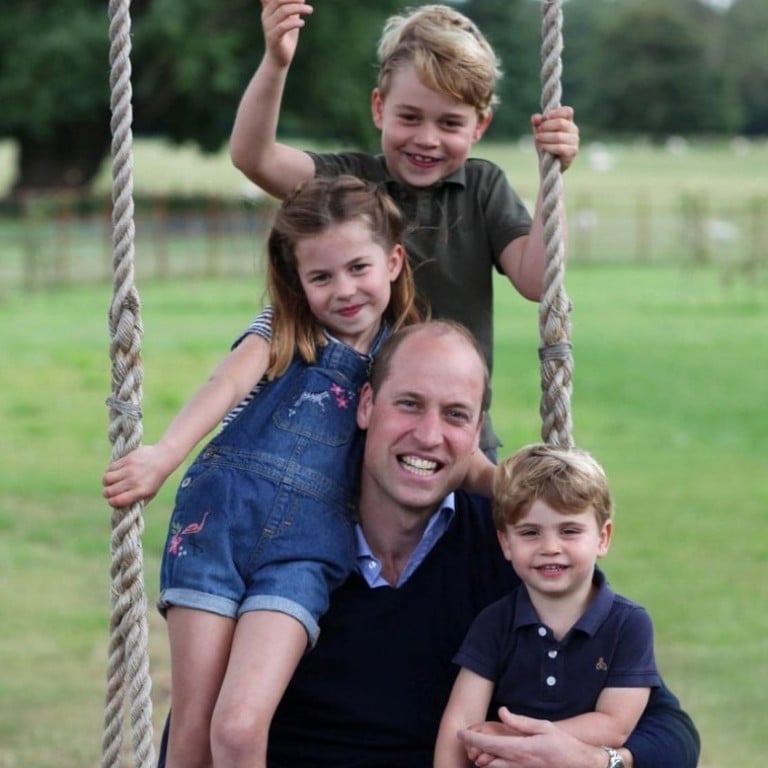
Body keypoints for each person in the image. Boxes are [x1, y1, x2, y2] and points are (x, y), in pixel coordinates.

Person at [155, 320, 700, 768]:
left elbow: (668, 731)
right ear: (366, 405)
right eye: (409, 405)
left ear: (476, 431)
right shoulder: (281, 537)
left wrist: (599, 760)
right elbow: (200, 733)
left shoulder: (509, 545)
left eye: (455, 415)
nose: (429, 435)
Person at [103, 175, 424, 768]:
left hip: (306, 552)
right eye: (321, 277)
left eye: (358, 268)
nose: (344, 290)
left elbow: (424, 437)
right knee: (193, 732)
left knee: (240, 726)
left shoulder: (401, 358)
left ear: (394, 261)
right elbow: (225, 384)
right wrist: (164, 455)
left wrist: (500, 482)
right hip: (217, 524)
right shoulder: (283, 328)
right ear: (298, 281)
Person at [228, 1, 581, 456]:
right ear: (379, 108)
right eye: (410, 117)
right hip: (350, 442)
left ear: (479, 126)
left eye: (449, 123)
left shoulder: (483, 188)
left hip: (455, 438)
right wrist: (277, 62)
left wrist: (553, 175)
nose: (426, 139)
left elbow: (537, 280)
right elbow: (254, 158)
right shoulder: (349, 186)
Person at [434, 444, 660, 768]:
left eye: (569, 531)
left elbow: (614, 724)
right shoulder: (494, 622)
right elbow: (460, 723)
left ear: (603, 537)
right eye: (530, 532)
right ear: (505, 542)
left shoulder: (628, 624)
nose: (550, 547)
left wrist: (515, 739)